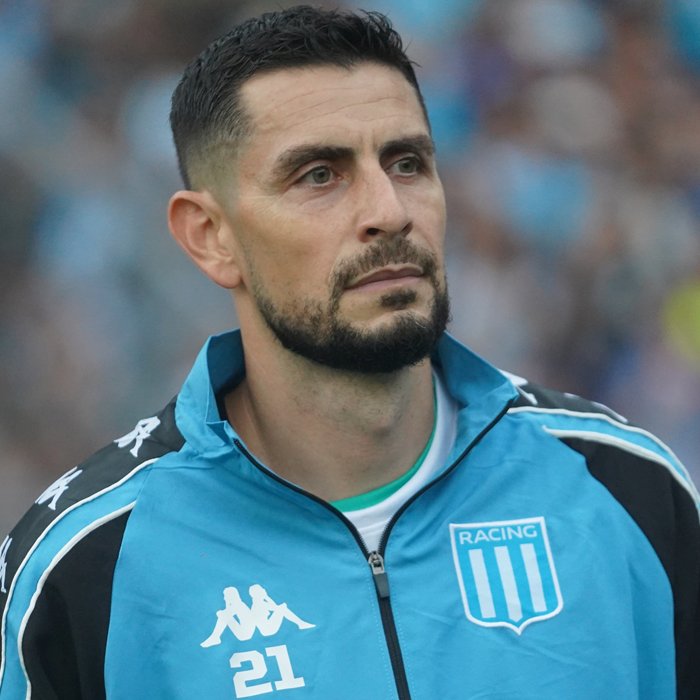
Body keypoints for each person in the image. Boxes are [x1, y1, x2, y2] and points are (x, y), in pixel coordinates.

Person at [0, 6, 698, 699]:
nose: (389, 211)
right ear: (211, 236)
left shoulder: (625, 489)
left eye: (407, 163)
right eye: (318, 175)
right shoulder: (85, 567)